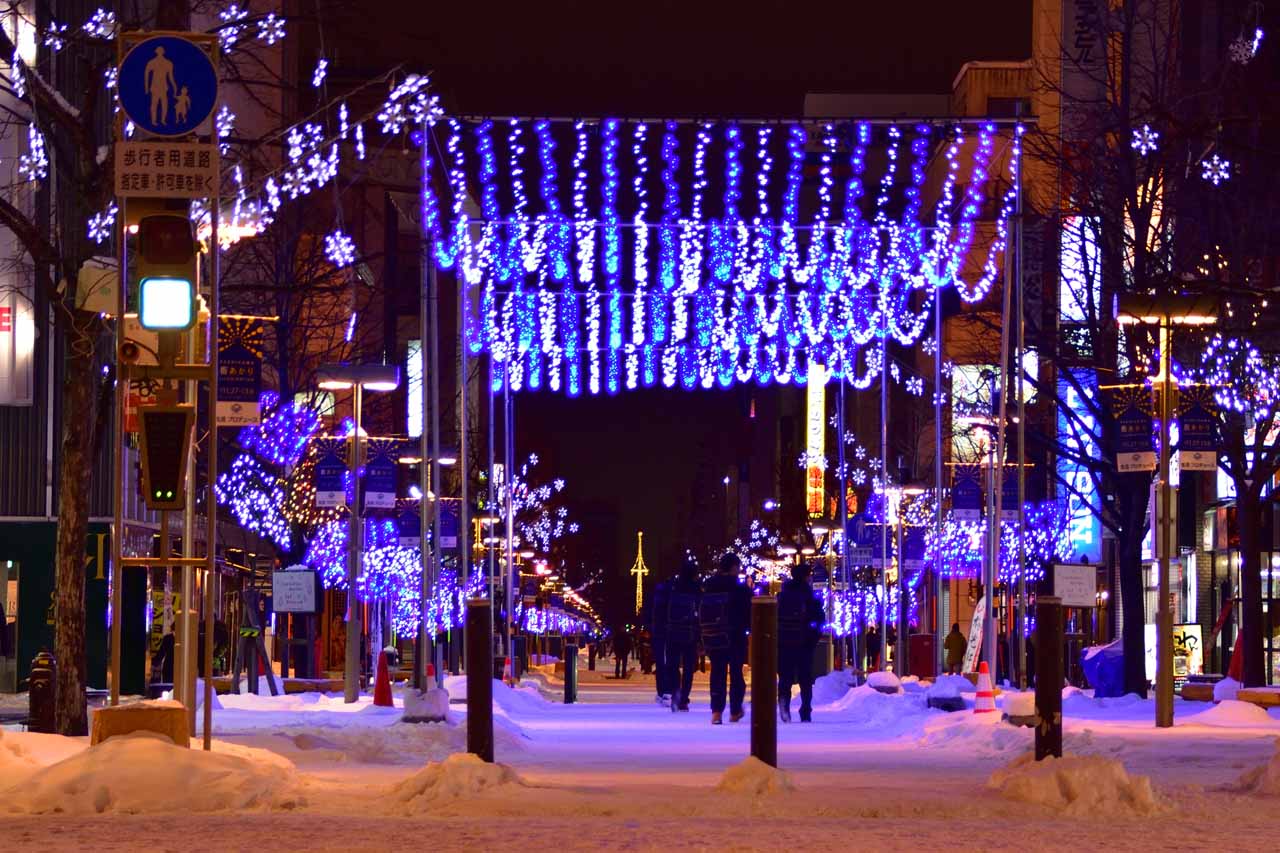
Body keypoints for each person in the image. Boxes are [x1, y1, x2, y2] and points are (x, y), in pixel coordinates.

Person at [700, 553, 751, 724]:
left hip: (714, 635)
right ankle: (735, 710)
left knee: (717, 673)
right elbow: (749, 613)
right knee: (736, 673)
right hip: (735, 636)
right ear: (734, 567)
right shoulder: (740, 589)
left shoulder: (709, 586)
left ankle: (716, 712)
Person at [777, 562, 824, 722]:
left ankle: (784, 706)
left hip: (784, 642)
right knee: (805, 678)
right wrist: (813, 638)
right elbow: (819, 619)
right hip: (805, 643)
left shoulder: (782, 596)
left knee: (785, 677)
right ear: (806, 576)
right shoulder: (809, 596)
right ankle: (805, 710)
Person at [664, 556, 702, 711]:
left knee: (672, 664)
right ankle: (684, 698)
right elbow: (701, 612)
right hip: (690, 632)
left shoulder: (672, 586)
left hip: (673, 630)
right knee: (688, 667)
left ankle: (675, 691)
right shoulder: (697, 589)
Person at [649, 576, 671, 704]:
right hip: (669, 630)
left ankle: (662, 691)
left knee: (661, 663)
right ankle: (668, 690)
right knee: (669, 661)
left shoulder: (657, 600)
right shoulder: (671, 596)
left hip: (659, 631)